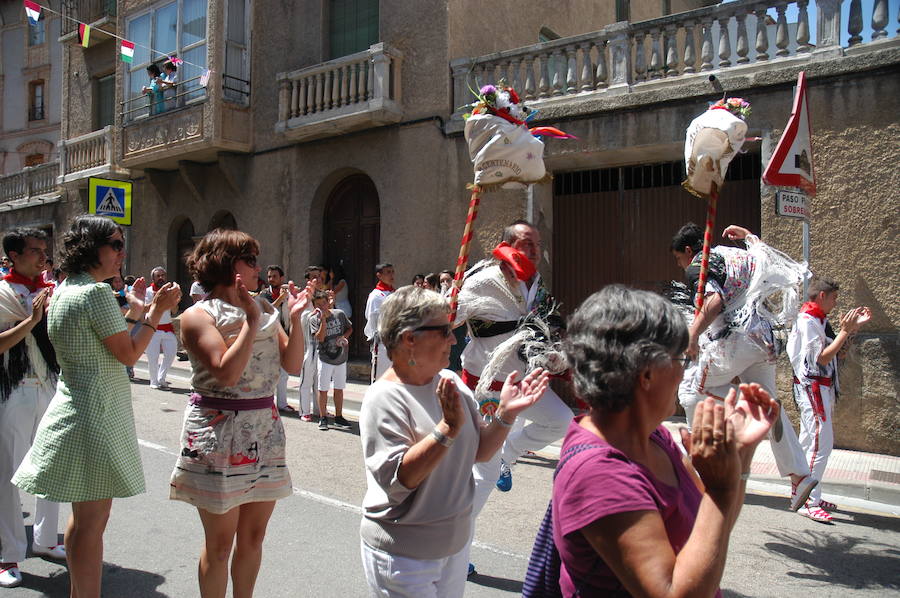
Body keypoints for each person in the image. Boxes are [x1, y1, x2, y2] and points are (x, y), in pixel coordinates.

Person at [551, 285, 777, 597]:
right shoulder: (599, 473)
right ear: (646, 374)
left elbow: (710, 527)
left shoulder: (653, 436)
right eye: (681, 360)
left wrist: (740, 455)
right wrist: (721, 488)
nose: (685, 374)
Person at [12, 215, 181, 598]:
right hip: (95, 414)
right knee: (92, 523)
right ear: (93, 248)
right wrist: (156, 311)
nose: (122, 253)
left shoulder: (67, 288)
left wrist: (137, 311)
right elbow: (127, 352)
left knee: (82, 520)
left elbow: (106, 336)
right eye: (116, 245)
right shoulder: (95, 293)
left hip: (78, 407)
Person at [359, 285, 549, 597]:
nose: (453, 338)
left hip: (454, 547)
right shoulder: (383, 398)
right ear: (409, 339)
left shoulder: (451, 383)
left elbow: (480, 452)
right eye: (445, 330)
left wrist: (505, 415)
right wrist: (445, 430)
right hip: (405, 557)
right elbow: (399, 479)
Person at [170, 229, 311, 598]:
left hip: (263, 429)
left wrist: (295, 320)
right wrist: (250, 320)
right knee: (219, 545)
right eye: (249, 260)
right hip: (218, 433)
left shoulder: (264, 307)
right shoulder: (196, 315)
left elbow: (293, 365)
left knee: (253, 537)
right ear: (225, 263)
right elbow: (226, 373)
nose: (258, 267)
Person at [671, 222, 816, 511]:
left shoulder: (700, 264)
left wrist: (692, 336)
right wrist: (748, 236)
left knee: (690, 389)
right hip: (765, 341)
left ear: (688, 250)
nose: (681, 265)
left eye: (679, 259)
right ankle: (800, 475)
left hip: (738, 340)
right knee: (771, 405)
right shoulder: (735, 253)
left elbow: (714, 300)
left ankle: (701, 474)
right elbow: (762, 253)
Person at [456, 220, 572, 495]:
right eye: (526, 243)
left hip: (523, 380)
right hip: (489, 385)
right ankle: (453, 532)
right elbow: (448, 316)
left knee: (562, 421)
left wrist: (556, 353)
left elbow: (547, 323)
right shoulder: (482, 281)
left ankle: (508, 453)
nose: (534, 250)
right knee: (483, 474)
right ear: (507, 245)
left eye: (538, 244)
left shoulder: (536, 282)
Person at [0, 228, 64, 589]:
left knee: (51, 467)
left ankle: (46, 539)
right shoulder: (2, 292)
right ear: (12, 255)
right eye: (34, 251)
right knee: (9, 470)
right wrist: (30, 322)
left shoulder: (51, 291)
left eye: (44, 250)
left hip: (50, 387)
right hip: (13, 390)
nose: (42, 257)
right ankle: (9, 552)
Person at [788, 276, 870, 523]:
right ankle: (809, 501)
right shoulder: (808, 321)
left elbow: (837, 354)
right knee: (819, 446)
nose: (835, 303)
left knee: (808, 445)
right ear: (822, 296)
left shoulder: (818, 320)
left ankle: (804, 494)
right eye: (834, 298)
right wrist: (845, 330)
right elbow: (821, 360)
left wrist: (851, 330)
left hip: (817, 390)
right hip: (812, 389)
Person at [309, 290, 352, 431]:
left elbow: (349, 328)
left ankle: (339, 416)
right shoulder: (313, 319)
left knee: (339, 388)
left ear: (329, 302)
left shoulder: (339, 314)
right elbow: (320, 338)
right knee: (323, 389)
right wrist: (323, 321)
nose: (322, 307)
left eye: (324, 303)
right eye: (318, 305)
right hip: (325, 357)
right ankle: (323, 417)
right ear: (314, 306)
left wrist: (343, 337)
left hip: (341, 357)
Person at [260, 265, 297, 415]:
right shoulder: (264, 294)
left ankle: (281, 403)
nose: (271, 279)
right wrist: (280, 299)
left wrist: (292, 296)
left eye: (274, 276)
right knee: (268, 372)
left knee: (283, 374)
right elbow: (267, 311)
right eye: (269, 276)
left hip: (285, 338)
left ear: (282, 278)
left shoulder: (288, 293)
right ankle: (267, 402)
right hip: (268, 338)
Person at [145, 266, 179, 389]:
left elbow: (174, 311)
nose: (161, 278)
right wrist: (157, 298)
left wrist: (174, 301)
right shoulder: (148, 291)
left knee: (171, 353)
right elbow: (146, 308)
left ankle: (161, 378)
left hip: (167, 328)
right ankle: (153, 381)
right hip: (152, 327)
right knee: (153, 356)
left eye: (163, 275)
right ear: (153, 278)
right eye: (158, 276)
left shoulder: (170, 291)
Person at [365, 262, 395, 383]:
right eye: (388, 272)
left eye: (392, 272)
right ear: (379, 275)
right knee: (380, 379)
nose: (392, 275)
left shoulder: (395, 292)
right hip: (382, 343)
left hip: (395, 342)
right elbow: (372, 319)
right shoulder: (376, 296)